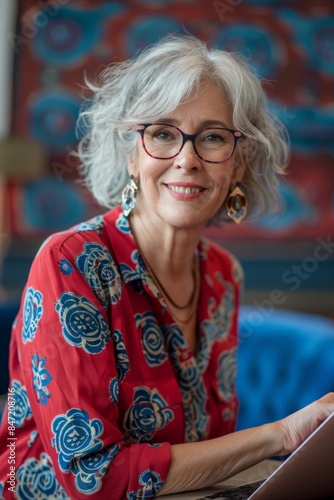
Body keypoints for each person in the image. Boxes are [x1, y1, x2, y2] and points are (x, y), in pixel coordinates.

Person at [0, 34, 333, 500]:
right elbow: (93, 477)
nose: (187, 159)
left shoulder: (222, 275)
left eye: (213, 138)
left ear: (238, 165)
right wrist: (279, 436)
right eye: (162, 134)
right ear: (132, 155)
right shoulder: (70, 262)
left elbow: (199, 448)